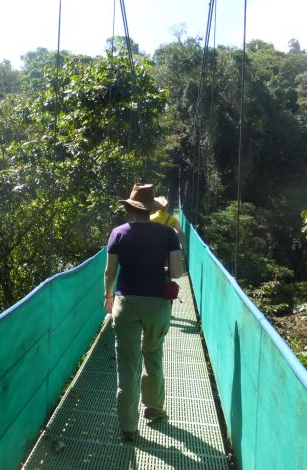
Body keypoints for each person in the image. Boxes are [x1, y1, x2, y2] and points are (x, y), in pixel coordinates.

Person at [103, 183, 183, 443]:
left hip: (126, 303)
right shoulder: (168, 233)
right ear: (152, 209)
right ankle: (154, 409)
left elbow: (109, 272)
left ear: (129, 208)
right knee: (153, 354)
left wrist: (108, 297)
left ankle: (128, 428)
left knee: (127, 364)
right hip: (158, 303)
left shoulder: (118, 233)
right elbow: (178, 271)